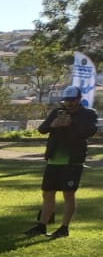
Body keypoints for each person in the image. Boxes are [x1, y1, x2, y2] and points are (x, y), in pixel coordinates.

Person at [25, 85, 98, 239]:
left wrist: (70, 124)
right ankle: (42, 225)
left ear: (79, 99)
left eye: (72, 101)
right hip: (54, 160)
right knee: (47, 193)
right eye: (66, 101)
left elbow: (89, 131)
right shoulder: (57, 113)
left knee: (68, 194)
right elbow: (42, 129)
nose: (69, 104)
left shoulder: (88, 114)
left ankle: (64, 228)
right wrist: (53, 124)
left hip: (73, 161)